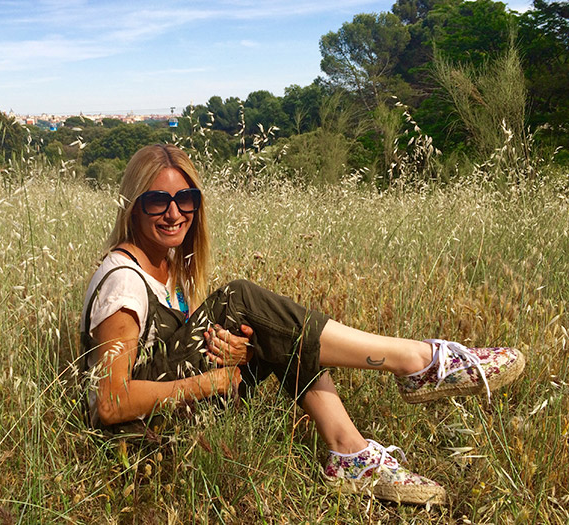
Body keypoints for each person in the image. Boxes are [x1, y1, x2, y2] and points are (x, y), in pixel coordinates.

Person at [79, 144, 525, 505]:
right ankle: (417, 360)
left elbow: (176, 351)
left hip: (175, 417)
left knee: (275, 331)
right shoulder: (124, 281)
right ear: (133, 207)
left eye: (186, 199)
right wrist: (208, 383)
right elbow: (111, 403)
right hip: (139, 443)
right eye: (158, 200)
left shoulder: (168, 267)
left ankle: (348, 451)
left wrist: (242, 352)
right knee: (242, 297)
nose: (174, 212)